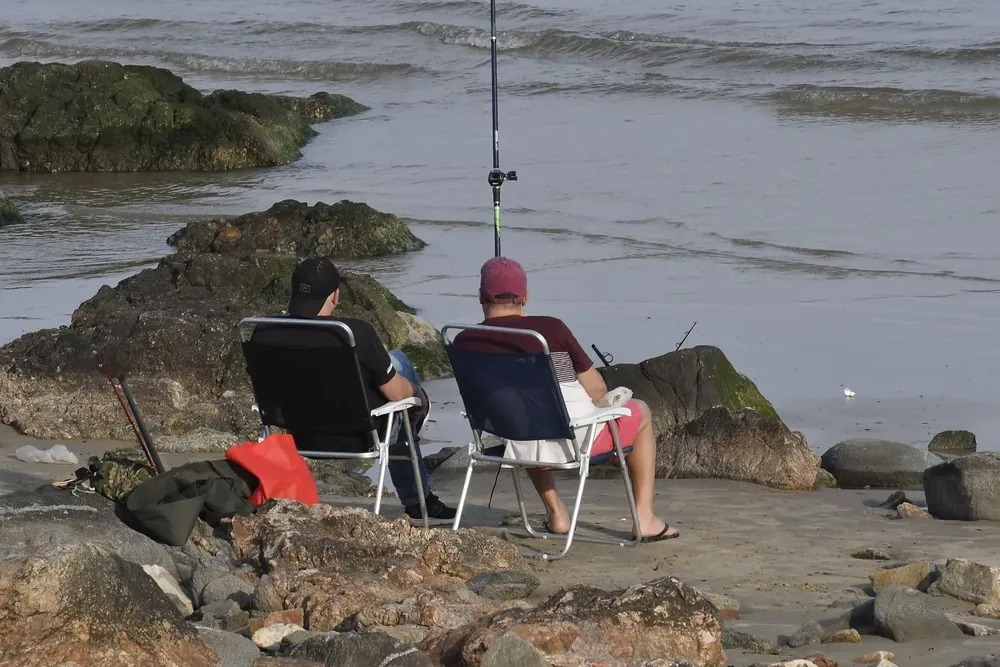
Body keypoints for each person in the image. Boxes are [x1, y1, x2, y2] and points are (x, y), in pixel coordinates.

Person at [456, 257, 678, 541]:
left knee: (526, 417)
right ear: (525, 297)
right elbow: (597, 390)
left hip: (515, 440)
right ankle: (644, 519)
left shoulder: (463, 340)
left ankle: (557, 514)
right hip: (571, 441)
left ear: (479, 297)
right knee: (641, 412)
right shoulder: (549, 331)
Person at [276, 256, 457, 526]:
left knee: (393, 368)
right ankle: (419, 500)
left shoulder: (267, 333)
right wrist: (417, 394)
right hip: (360, 436)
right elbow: (397, 394)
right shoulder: (353, 333)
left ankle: (414, 414)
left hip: (299, 434)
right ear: (335, 296)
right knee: (402, 377)